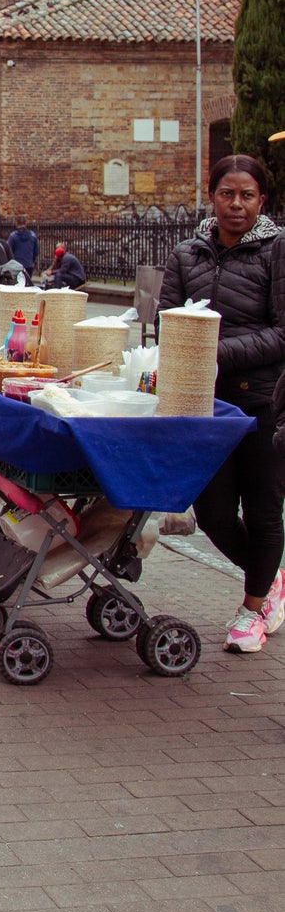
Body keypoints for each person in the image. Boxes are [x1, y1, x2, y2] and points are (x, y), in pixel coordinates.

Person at [161, 154, 285, 653]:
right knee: (211, 511)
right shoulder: (187, 252)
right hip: (203, 404)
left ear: (262, 200)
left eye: (247, 196)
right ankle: (271, 577)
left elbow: (282, 332)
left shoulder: (277, 251)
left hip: (260, 403)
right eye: (226, 194)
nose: (236, 205)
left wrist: (214, 353)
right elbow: (166, 321)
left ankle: (252, 611)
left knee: (262, 509)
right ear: (211, 196)